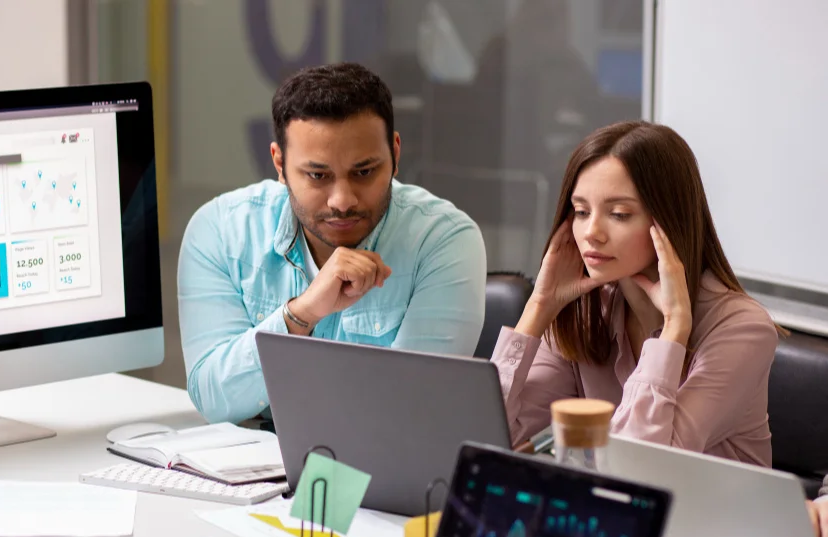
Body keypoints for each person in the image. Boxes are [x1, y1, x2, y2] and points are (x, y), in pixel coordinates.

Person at [178, 63, 486, 424]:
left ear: (396, 155)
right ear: (279, 163)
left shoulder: (442, 240)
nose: (342, 200)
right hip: (255, 468)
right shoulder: (220, 230)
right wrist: (302, 314)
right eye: (318, 175)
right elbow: (214, 400)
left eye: (364, 172)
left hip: (378, 471)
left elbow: (410, 413)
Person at [491, 120, 778, 466]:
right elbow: (492, 438)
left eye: (619, 214)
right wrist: (538, 309)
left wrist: (673, 331)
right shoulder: (588, 310)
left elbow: (642, 468)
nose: (591, 233)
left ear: (668, 222)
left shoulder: (742, 329)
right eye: (581, 211)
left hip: (714, 518)